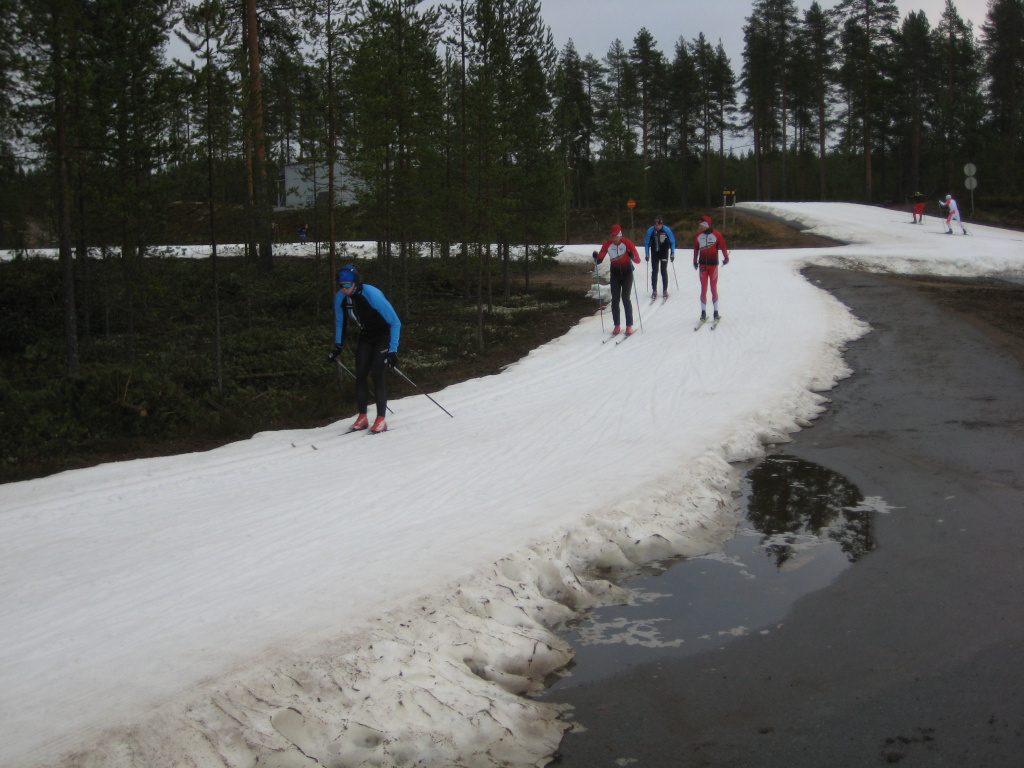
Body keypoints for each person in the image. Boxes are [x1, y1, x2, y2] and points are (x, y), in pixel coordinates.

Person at [328, 265, 401, 434]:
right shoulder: (340, 298)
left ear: (355, 283)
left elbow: (395, 322)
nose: (344, 289)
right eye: (341, 285)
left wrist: (393, 350)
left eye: (347, 285)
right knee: (360, 374)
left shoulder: (372, 295)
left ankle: (381, 419)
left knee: (377, 373)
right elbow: (340, 322)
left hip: (383, 334)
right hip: (366, 335)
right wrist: (338, 345)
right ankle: (362, 417)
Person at [592, 224, 642, 335]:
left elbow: (638, 260)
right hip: (615, 274)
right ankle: (617, 325)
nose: (615, 239)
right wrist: (595, 257)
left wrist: (631, 256)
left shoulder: (627, 243)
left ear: (620, 235)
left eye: (616, 236)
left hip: (627, 274)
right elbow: (599, 259)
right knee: (615, 300)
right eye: (613, 237)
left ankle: (629, 326)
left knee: (625, 298)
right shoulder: (608, 244)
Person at [692, 215, 730, 321]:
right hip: (703, 265)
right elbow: (696, 249)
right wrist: (695, 261)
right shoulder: (698, 235)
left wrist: (726, 258)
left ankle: (716, 312)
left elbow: (723, 247)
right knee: (703, 288)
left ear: (706, 225)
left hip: (713, 265)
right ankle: (703, 313)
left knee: (713, 288)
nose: (700, 227)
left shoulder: (717, 235)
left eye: (701, 225)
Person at [644, 215, 676, 299]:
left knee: (663, 270)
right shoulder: (651, 230)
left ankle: (665, 290)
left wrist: (672, 253)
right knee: (654, 271)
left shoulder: (666, 230)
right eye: (655, 224)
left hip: (664, 252)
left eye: (658, 224)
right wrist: (647, 254)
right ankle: (654, 290)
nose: (657, 226)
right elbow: (647, 242)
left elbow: (672, 241)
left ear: (661, 224)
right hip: (655, 253)